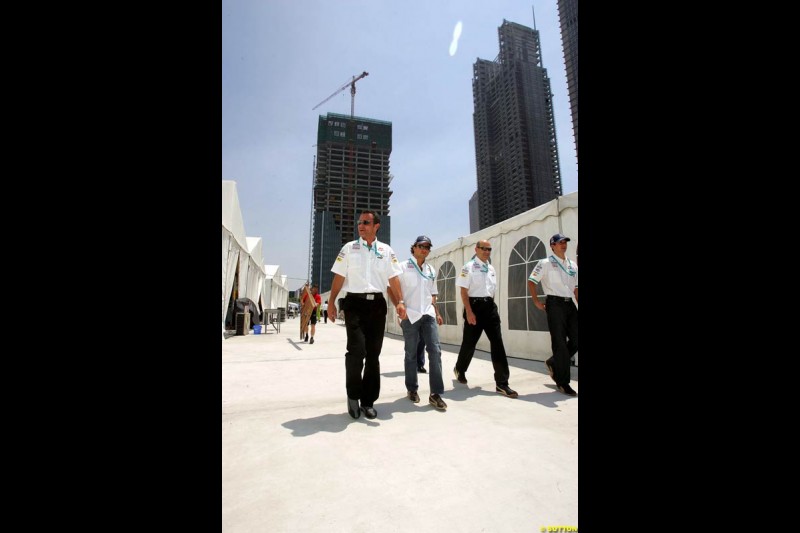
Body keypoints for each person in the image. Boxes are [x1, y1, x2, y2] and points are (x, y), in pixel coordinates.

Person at [328, 210, 405, 420]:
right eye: (359, 222)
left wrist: (400, 302)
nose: (360, 225)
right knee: (356, 351)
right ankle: (353, 396)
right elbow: (339, 277)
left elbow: (394, 279)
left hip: (377, 306)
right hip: (354, 304)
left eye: (365, 222)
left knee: (373, 355)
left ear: (376, 226)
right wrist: (331, 302)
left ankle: (368, 401)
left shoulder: (386, 251)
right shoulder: (349, 248)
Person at [453, 240, 518, 398]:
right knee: (469, 343)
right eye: (483, 248)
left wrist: (491, 307)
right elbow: (463, 291)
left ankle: (502, 383)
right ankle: (460, 369)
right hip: (474, 307)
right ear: (476, 249)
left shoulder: (491, 268)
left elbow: (492, 290)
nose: (486, 251)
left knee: (498, 343)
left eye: (489, 249)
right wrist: (469, 311)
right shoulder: (468, 267)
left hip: (489, 308)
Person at [393, 235, 447, 410]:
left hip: (428, 315)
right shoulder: (402, 266)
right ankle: (412, 388)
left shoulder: (431, 269)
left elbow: (433, 295)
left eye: (428, 247)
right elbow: (392, 287)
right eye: (421, 246)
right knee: (411, 354)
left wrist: (437, 312)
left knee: (435, 351)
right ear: (414, 247)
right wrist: (399, 306)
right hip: (410, 315)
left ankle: (435, 394)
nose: (424, 249)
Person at [527, 233, 578, 396]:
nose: (563, 245)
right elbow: (531, 281)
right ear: (552, 246)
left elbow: (575, 288)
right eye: (559, 242)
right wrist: (536, 301)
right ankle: (563, 382)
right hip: (554, 304)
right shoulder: (545, 263)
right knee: (560, 343)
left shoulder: (572, 265)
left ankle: (554, 361)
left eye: (565, 242)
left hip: (570, 303)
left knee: (577, 339)